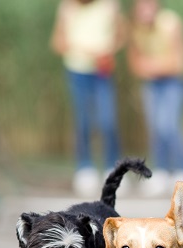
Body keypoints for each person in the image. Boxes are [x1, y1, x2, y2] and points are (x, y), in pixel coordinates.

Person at [50, 0, 127, 196]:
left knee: (108, 120)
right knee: (83, 120)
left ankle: (114, 168)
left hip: (102, 71)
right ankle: (85, 167)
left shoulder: (109, 5)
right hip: (77, 71)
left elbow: (122, 34)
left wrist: (108, 51)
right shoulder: (67, 7)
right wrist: (86, 51)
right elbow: (57, 42)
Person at [128, 0, 183, 196]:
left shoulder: (171, 23)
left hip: (174, 81)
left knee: (169, 125)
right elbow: (136, 63)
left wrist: (152, 66)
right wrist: (152, 66)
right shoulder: (136, 29)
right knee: (155, 127)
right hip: (152, 83)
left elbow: (177, 62)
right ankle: (161, 172)